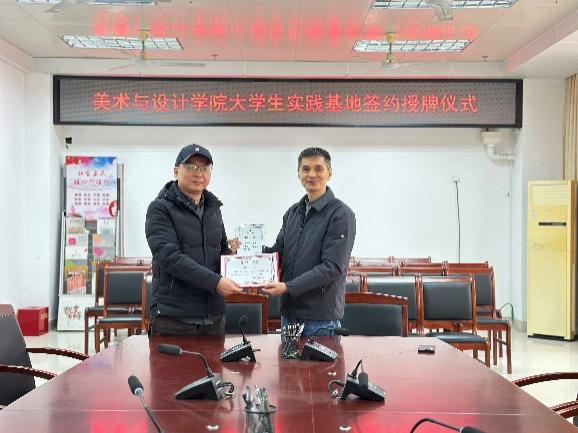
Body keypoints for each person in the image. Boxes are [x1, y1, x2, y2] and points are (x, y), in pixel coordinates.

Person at [145, 144, 242, 336]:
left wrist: (231, 255)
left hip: (213, 316)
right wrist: (216, 282)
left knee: (215, 359)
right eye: (191, 166)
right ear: (176, 171)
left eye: (205, 167)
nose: (198, 173)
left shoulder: (213, 209)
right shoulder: (160, 208)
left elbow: (220, 250)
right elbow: (169, 257)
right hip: (174, 317)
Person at [262, 147, 356, 336]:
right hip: (289, 314)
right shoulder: (292, 212)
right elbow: (278, 253)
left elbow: (332, 267)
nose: (311, 174)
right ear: (298, 174)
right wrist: (247, 254)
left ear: (329, 173)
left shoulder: (341, 214)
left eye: (318, 168)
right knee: (287, 358)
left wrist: (288, 287)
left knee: (321, 359)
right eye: (306, 169)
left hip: (320, 319)